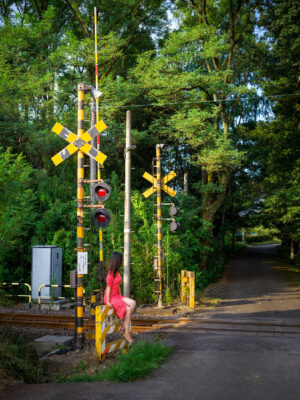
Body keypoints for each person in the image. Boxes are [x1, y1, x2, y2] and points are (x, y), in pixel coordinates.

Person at [104, 252, 136, 343]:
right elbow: (108, 289)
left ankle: (123, 325)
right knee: (128, 309)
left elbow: (117, 286)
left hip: (117, 296)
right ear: (117, 261)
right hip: (110, 297)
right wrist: (108, 302)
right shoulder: (110, 274)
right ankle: (126, 332)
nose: (121, 262)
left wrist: (122, 297)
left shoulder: (117, 272)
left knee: (133, 303)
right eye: (120, 260)